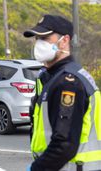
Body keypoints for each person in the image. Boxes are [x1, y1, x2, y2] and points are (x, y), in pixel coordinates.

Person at [24, 15, 101, 171]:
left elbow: (64, 144)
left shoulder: (67, 82)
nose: (39, 44)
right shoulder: (62, 76)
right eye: (37, 39)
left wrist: (36, 168)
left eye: (45, 38)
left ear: (65, 40)